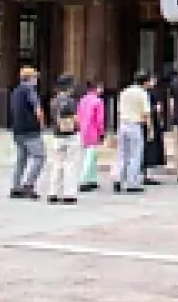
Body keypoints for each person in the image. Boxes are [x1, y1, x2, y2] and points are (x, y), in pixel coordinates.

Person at [9, 67, 46, 199]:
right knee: (40, 156)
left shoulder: (15, 91)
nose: (36, 80)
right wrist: (41, 124)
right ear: (30, 78)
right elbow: (37, 109)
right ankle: (28, 184)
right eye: (35, 77)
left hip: (17, 130)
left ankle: (16, 186)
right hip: (31, 131)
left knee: (21, 159)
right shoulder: (30, 91)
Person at [112, 72, 151, 194]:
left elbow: (118, 111)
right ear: (144, 82)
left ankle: (118, 179)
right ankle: (132, 182)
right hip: (134, 124)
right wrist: (149, 129)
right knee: (135, 154)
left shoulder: (124, 92)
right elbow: (146, 113)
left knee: (122, 154)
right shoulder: (142, 93)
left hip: (123, 124)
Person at [46, 75, 81, 204]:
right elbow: (75, 118)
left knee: (57, 164)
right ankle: (69, 194)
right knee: (70, 164)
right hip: (71, 135)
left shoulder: (53, 101)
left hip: (57, 135)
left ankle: (53, 193)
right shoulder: (71, 101)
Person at [77, 80, 106, 193]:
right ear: (96, 88)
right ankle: (84, 180)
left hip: (82, 129)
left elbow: (78, 114)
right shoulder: (98, 101)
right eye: (101, 88)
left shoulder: (83, 99)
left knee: (90, 156)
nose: (102, 90)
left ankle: (92, 179)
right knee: (90, 157)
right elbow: (99, 119)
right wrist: (101, 132)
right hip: (93, 131)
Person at [144, 72, 168, 184]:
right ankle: (148, 175)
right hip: (152, 121)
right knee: (152, 148)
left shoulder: (143, 92)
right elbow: (158, 109)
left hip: (141, 122)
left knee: (145, 148)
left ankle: (144, 173)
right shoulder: (155, 93)